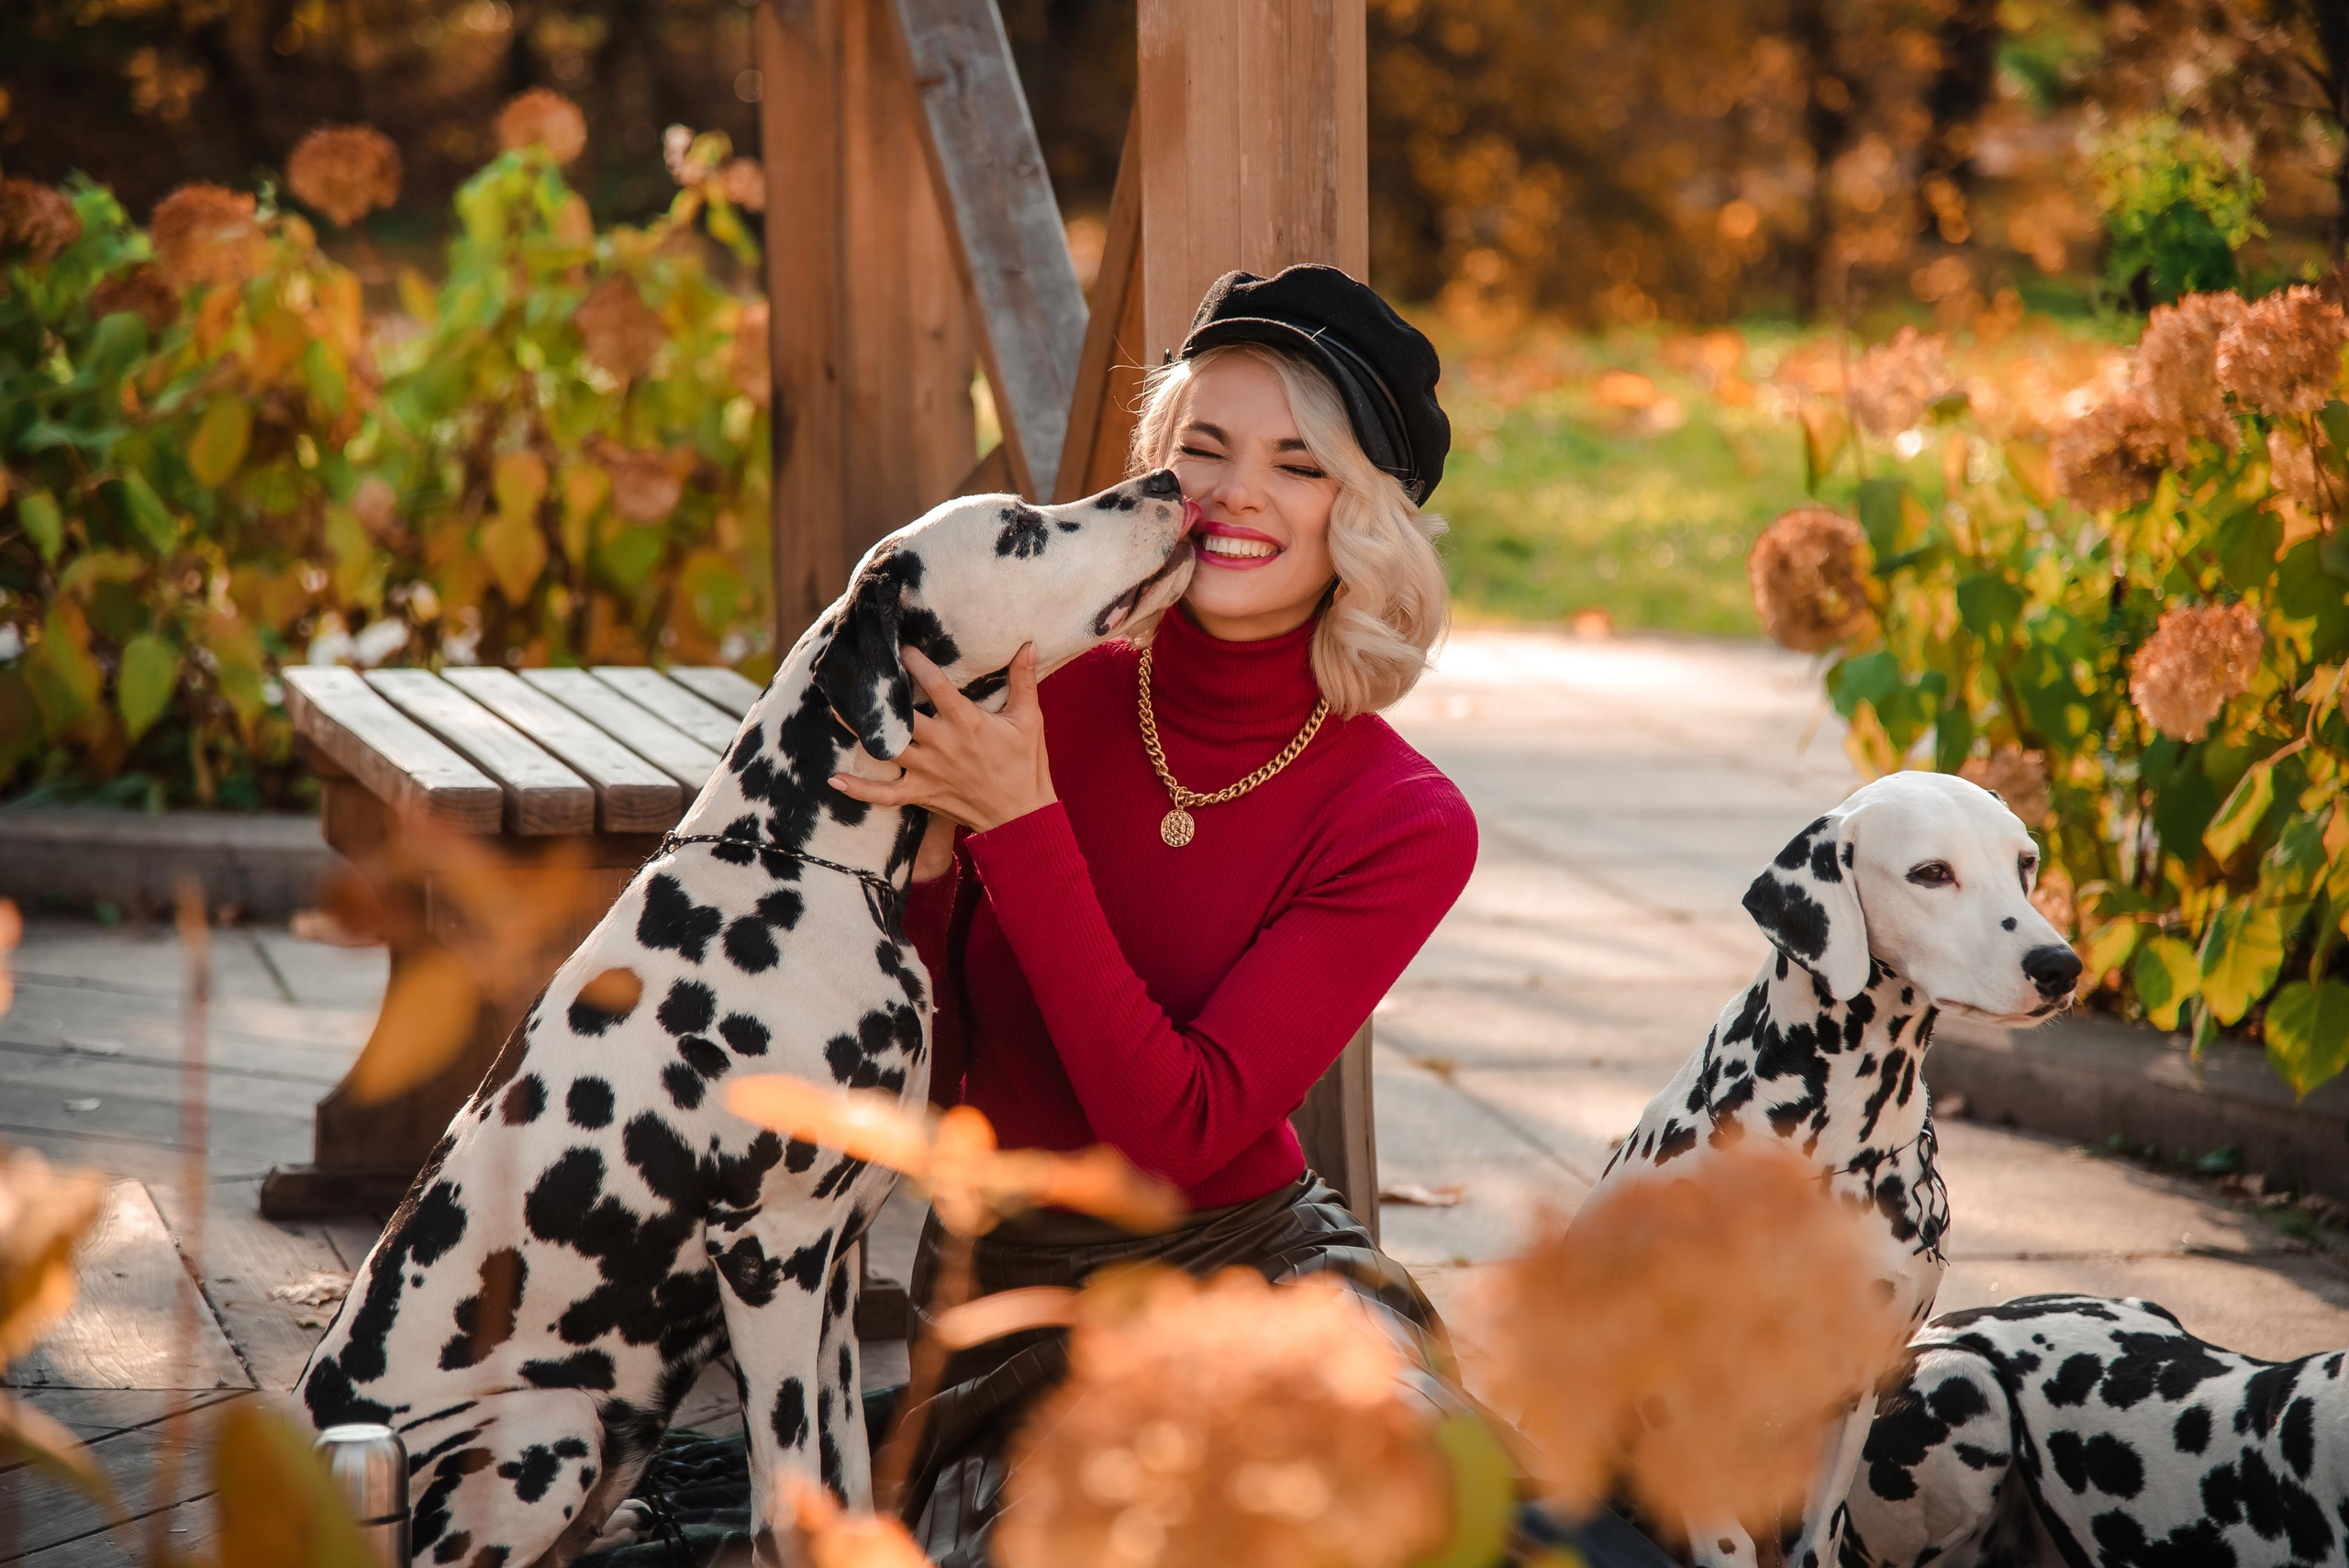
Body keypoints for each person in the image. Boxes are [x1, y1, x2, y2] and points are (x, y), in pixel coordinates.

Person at [825, 263, 1481, 1562]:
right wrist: (942, 857)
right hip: (1015, 1307)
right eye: (1206, 447)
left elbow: (1177, 1133)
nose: (1238, 493)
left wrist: (1021, 824)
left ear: (1361, 515)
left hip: (1263, 1269)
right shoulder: (1028, 695)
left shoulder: (1405, 817)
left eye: (1300, 464)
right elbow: (913, 1055)